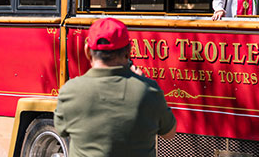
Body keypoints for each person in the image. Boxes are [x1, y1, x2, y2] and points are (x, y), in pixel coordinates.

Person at [54, 17, 177, 156]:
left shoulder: (70, 91)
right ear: (129, 51)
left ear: (87, 50)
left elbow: (61, 129)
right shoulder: (149, 91)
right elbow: (169, 133)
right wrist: (142, 82)